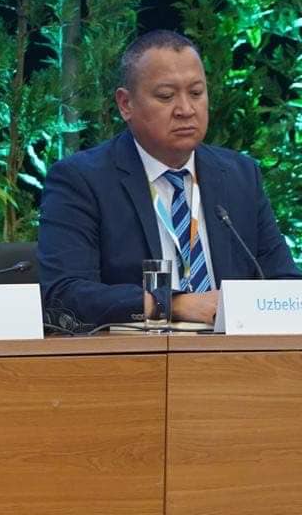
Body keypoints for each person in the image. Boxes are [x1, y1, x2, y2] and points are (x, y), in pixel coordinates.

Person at [38, 29, 301, 326]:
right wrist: (170, 304)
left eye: (196, 93)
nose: (186, 110)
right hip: (137, 352)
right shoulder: (82, 180)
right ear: (126, 104)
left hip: (233, 351)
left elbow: (285, 284)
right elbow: (64, 293)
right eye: (166, 96)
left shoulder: (239, 175)